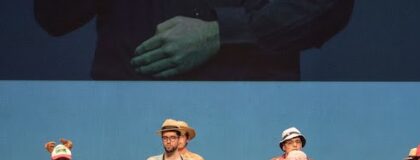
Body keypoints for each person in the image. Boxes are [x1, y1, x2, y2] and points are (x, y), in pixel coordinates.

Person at [33, 0, 355, 80]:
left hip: (246, 110)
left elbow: (327, 6)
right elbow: (53, 15)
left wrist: (222, 32)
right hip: (125, 113)